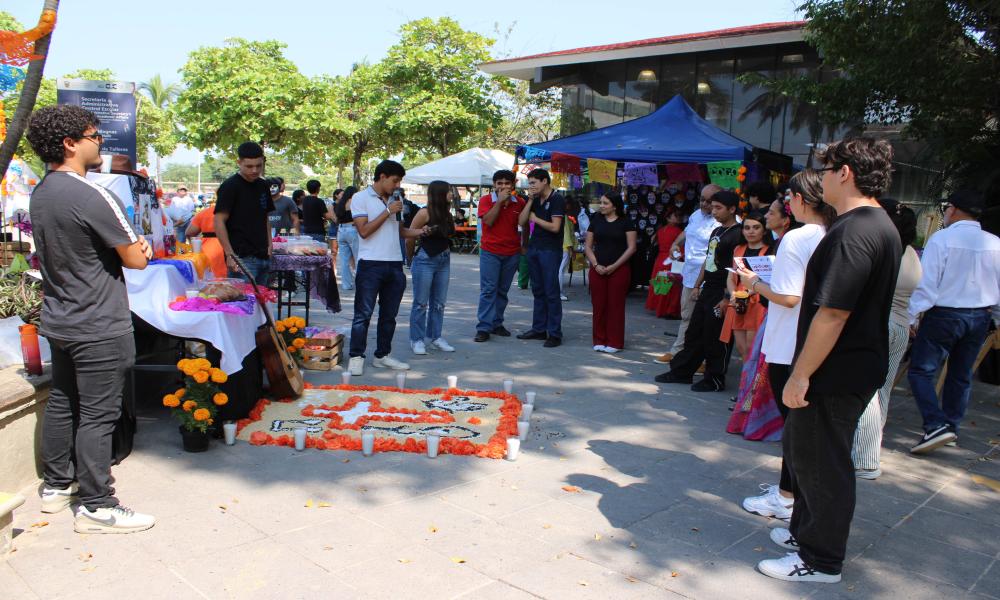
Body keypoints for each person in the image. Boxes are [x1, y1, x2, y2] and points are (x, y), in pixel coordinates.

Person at [756, 138, 900, 584]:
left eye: (828, 167)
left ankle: (821, 561)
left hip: (834, 371)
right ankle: (806, 534)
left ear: (846, 173)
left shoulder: (858, 230)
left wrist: (800, 375)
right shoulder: (872, 224)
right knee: (806, 457)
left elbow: (834, 312)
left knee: (823, 466)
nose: (821, 176)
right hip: (841, 366)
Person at [26, 104, 156, 533]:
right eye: (94, 135)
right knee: (99, 415)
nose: (99, 142)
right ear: (70, 143)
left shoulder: (42, 191)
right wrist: (146, 248)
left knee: (64, 402)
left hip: (62, 320)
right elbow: (136, 258)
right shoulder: (91, 192)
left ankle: (55, 487)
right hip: (99, 323)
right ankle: (97, 505)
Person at [907, 190, 1000, 453]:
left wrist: (912, 315)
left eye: (947, 208)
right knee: (961, 374)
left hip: (945, 314)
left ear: (955, 209)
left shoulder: (943, 239)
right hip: (980, 315)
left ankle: (935, 424)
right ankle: (950, 426)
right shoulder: (995, 242)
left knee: (921, 371)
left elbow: (927, 284)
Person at [851, 199, 921, 477]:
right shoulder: (912, 254)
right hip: (901, 325)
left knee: (865, 391)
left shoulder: (882, 250)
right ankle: (869, 452)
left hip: (878, 324)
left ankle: (865, 458)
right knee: (882, 390)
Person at [655, 190, 742, 392]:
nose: (714, 211)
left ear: (732, 209)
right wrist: (697, 285)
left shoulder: (737, 234)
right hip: (706, 287)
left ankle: (715, 378)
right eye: (713, 206)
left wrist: (727, 296)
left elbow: (736, 269)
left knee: (715, 337)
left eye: (718, 207)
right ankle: (682, 371)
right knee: (694, 331)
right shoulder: (717, 231)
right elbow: (708, 260)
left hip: (722, 289)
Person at [348, 160, 426, 375]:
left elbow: (400, 231)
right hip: (370, 263)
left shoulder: (396, 199)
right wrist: (386, 211)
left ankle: (382, 355)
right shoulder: (360, 198)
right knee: (363, 313)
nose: (397, 185)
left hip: (394, 264)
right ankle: (356, 355)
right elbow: (363, 231)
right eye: (395, 180)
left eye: (399, 181)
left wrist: (420, 232)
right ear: (382, 177)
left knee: (389, 315)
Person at [655, 184, 722, 364]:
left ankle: (705, 360)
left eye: (710, 201)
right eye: (702, 200)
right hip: (690, 275)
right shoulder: (695, 215)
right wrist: (675, 244)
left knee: (707, 320)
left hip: (711, 278)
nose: (705, 204)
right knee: (687, 315)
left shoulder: (724, 221)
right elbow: (686, 233)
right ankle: (679, 350)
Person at [517, 169, 566, 348]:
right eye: (529, 183)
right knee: (537, 290)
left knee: (551, 292)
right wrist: (529, 200)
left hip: (550, 250)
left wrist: (535, 219)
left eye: (533, 183)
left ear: (544, 181)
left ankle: (554, 333)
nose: (531, 186)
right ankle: (539, 329)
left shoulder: (557, 199)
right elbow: (522, 221)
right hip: (534, 248)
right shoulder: (535, 200)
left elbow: (555, 227)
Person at [585, 191, 637, 353]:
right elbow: (588, 246)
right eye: (600, 202)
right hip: (597, 268)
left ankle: (615, 342)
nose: (601, 206)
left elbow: (632, 247)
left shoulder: (626, 222)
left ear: (615, 206)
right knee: (598, 305)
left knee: (616, 306)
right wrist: (595, 264)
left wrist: (615, 266)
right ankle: (599, 339)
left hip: (619, 269)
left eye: (605, 203)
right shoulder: (595, 220)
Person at [475, 170, 524, 342]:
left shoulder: (520, 202)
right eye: (500, 183)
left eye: (507, 183)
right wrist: (499, 203)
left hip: (511, 253)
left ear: (513, 185)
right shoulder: (486, 200)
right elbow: (487, 221)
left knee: (502, 291)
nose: (503, 186)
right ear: (494, 185)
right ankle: (483, 327)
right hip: (490, 251)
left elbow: (524, 225)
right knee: (488, 290)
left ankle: (497, 323)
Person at [214, 142, 274, 283]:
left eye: (258, 166)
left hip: (263, 255)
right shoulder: (230, 186)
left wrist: (270, 244)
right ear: (239, 162)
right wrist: (230, 254)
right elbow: (218, 220)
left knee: (261, 302)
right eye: (249, 166)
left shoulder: (263, 185)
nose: (254, 170)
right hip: (242, 258)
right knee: (243, 303)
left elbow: (265, 217)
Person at [409, 180, 456, 355]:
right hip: (425, 259)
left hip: (444, 259)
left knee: (439, 303)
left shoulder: (446, 213)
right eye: (449, 191)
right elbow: (410, 235)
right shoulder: (424, 213)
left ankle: (435, 336)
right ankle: (417, 339)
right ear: (439, 194)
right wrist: (409, 259)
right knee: (421, 303)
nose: (452, 194)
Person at [720, 211, 772, 363]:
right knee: (742, 348)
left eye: (756, 227)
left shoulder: (770, 250)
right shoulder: (738, 249)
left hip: (758, 300)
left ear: (764, 230)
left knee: (752, 348)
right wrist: (734, 294)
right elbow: (731, 277)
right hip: (738, 300)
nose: (751, 231)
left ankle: (752, 385)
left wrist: (747, 292)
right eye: (747, 228)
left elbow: (768, 280)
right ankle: (745, 384)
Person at [645, 208, 685, 318]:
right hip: (672, 260)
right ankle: (669, 310)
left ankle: (660, 309)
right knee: (672, 287)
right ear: (668, 218)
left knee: (661, 285)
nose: (678, 218)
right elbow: (680, 249)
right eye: (675, 216)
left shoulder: (660, 230)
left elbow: (654, 241)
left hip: (660, 260)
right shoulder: (678, 231)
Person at [185, 205, 227, 278]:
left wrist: (194, 247)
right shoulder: (237, 211)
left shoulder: (204, 212)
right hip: (230, 248)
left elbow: (189, 232)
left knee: (209, 282)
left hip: (207, 251)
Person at [335, 186, 360, 291]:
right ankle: (360, 283)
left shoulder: (340, 203)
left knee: (344, 260)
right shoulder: (354, 202)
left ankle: (346, 284)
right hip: (352, 229)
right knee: (358, 257)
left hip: (341, 231)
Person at [558, 196, 581, 301]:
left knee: (559, 270)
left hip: (562, 247)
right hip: (565, 248)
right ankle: (559, 292)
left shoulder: (563, 217)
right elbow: (567, 235)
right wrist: (572, 249)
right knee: (560, 271)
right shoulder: (565, 219)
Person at [301, 179, 332, 244]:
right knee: (319, 252)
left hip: (306, 230)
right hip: (318, 231)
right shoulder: (319, 201)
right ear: (318, 189)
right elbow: (327, 216)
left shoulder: (304, 200)